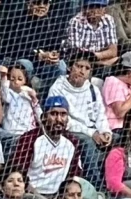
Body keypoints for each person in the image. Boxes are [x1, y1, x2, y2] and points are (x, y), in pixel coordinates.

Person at [47, 50, 111, 189]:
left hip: (94, 131)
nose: (82, 71)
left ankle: (113, 186)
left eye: (87, 68)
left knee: (119, 139)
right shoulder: (58, 88)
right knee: (87, 142)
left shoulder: (93, 89)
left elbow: (100, 114)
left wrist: (106, 132)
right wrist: (92, 134)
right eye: (79, 66)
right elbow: (63, 120)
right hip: (69, 131)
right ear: (70, 67)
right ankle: (96, 188)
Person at [10, 96, 82, 199]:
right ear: (43, 117)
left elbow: (74, 175)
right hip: (31, 194)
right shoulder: (29, 139)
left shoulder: (73, 142)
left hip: (58, 197)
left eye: (63, 114)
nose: (59, 119)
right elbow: (19, 173)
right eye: (53, 114)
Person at [66, 0, 119, 70]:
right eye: (91, 7)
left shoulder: (109, 20)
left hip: (100, 66)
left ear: (104, 9)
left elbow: (113, 52)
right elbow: (78, 55)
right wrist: (104, 61)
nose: (94, 11)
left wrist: (94, 56)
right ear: (84, 9)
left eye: (98, 7)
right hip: (79, 66)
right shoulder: (75, 22)